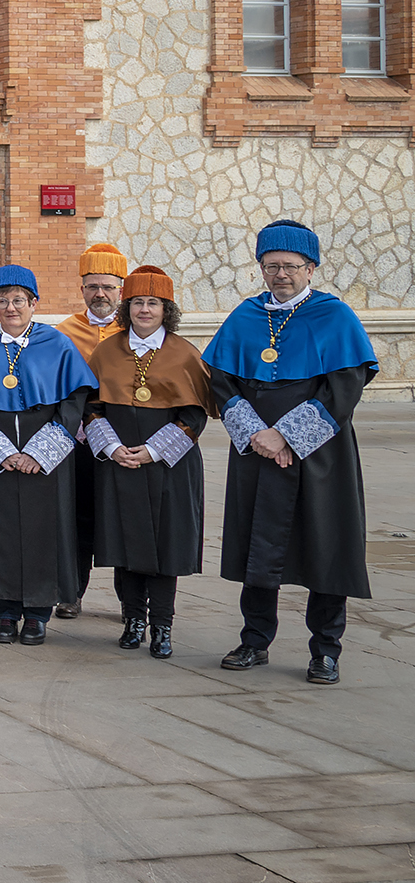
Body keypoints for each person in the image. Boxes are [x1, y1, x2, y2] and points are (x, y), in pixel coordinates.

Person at [205, 220, 376, 684]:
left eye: (290, 266)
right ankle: (254, 640)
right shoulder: (246, 315)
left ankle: (326, 650)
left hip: (322, 456)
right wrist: (257, 434)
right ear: (261, 268)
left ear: (311, 268)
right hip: (257, 451)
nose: (280, 274)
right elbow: (221, 382)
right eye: (271, 266)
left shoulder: (334, 316)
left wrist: (286, 437)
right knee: (258, 547)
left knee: (327, 547)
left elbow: (345, 387)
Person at [0, 265, 96, 646]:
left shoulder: (58, 344)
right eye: (2, 301)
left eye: (19, 300)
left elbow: (74, 401)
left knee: (44, 531)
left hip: (45, 457)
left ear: (34, 303)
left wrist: (40, 452)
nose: (11, 308)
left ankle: (37, 614)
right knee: (0, 531)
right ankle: (6, 612)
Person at [83, 264, 211, 660]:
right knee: (125, 545)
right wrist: (112, 447)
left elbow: (195, 416)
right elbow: (90, 407)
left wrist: (153, 450)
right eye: (137, 302)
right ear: (126, 307)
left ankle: (163, 625)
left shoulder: (184, 353)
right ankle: (133, 619)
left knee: (165, 548)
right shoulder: (106, 351)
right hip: (119, 462)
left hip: (169, 467)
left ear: (166, 310)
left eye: (153, 303)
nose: (144, 310)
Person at [51, 242, 127, 619]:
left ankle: (131, 601)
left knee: (124, 519)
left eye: (108, 287)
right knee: (76, 517)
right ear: (82, 289)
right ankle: (71, 592)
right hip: (78, 442)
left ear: (121, 291)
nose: (100, 294)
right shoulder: (63, 333)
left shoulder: (134, 330)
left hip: (125, 441)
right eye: (93, 286)